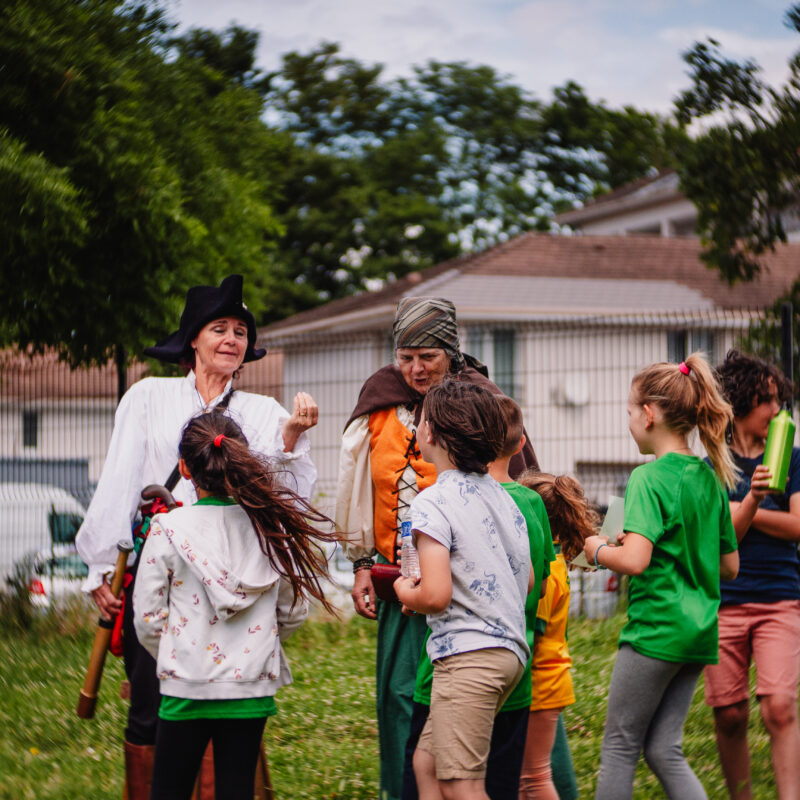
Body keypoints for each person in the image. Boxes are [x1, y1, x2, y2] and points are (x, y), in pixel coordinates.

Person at [75, 275, 319, 799]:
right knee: (149, 709)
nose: (232, 339)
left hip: (238, 569)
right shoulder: (147, 396)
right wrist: (99, 563)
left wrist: (292, 441)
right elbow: (121, 477)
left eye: (240, 331)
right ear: (193, 339)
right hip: (162, 566)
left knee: (233, 709)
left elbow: (291, 498)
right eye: (220, 329)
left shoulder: (264, 412)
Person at [336, 297, 538, 800]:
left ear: (451, 351)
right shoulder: (380, 401)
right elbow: (361, 488)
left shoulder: (481, 405)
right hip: (404, 581)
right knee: (416, 729)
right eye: (405, 356)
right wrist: (365, 564)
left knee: (463, 767)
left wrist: (419, 587)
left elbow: (526, 495)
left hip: (454, 608)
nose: (415, 368)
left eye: (427, 356)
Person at [133, 412, 336, 800]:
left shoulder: (167, 529)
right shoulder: (269, 527)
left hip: (185, 687)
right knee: (237, 789)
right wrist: (259, 642)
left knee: (168, 791)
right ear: (240, 461)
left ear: (184, 469)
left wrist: (178, 653)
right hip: (250, 686)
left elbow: (146, 618)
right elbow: (293, 612)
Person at [583, 353, 740, 800]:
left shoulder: (648, 479)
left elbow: (634, 560)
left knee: (619, 746)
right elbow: (730, 566)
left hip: (656, 631)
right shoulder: (708, 479)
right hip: (697, 634)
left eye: (630, 412)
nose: (630, 422)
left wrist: (595, 549)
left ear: (649, 414)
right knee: (663, 748)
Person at [402, 396, 552, 800]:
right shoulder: (506, 498)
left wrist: (405, 590)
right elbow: (530, 577)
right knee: (427, 764)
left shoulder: (431, 500)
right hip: (509, 655)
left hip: (468, 657)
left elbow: (433, 596)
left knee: (460, 784)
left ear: (429, 433)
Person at [703, 350, 800, 800]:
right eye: (769, 400)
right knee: (730, 714)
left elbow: (798, 526)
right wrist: (753, 504)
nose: (777, 411)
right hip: (724, 601)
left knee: (779, 707)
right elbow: (714, 540)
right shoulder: (711, 465)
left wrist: (744, 509)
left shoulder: (791, 459)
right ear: (742, 402)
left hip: (779, 596)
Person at [518, 472, 596, 800]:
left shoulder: (545, 571)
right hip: (550, 678)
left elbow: (533, 637)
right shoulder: (557, 558)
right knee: (526, 778)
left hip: (542, 682)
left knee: (533, 778)